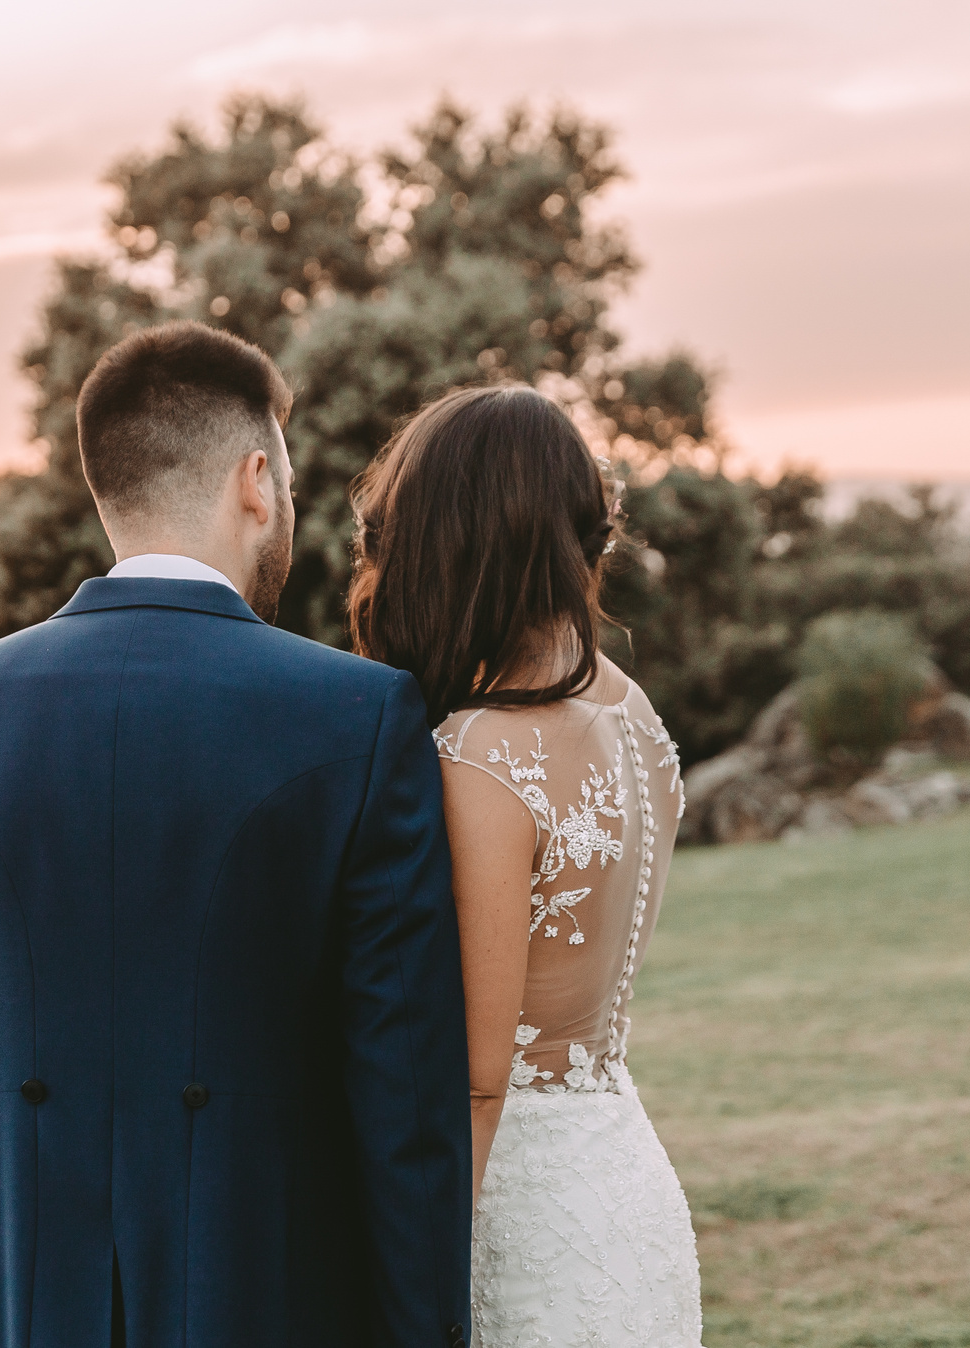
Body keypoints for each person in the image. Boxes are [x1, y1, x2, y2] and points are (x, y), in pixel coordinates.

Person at [0, 321, 473, 1347]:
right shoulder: (361, 717)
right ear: (253, 481)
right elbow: (401, 1111)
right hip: (261, 1299)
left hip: (4, 1305)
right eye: (286, 477)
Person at [350, 385, 704, 1347]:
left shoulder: (479, 751)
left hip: (520, 1216)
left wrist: (410, 1283)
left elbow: (476, 1077)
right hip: (624, 1184)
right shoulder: (633, 712)